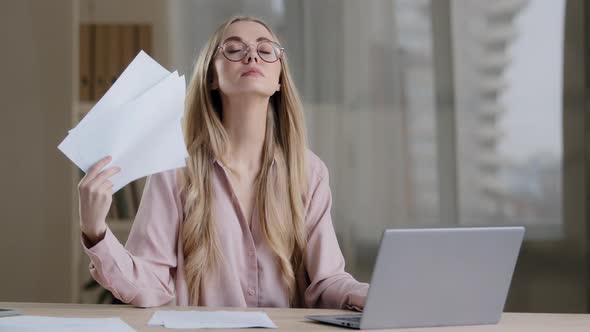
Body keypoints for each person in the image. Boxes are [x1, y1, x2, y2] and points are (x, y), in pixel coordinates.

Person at [77, 15, 368, 310]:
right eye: (233, 49)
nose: (252, 54)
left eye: (266, 50)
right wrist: (95, 231)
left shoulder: (310, 172)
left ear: (279, 79)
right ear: (212, 76)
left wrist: (371, 295)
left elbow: (327, 280)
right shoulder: (174, 170)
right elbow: (149, 284)